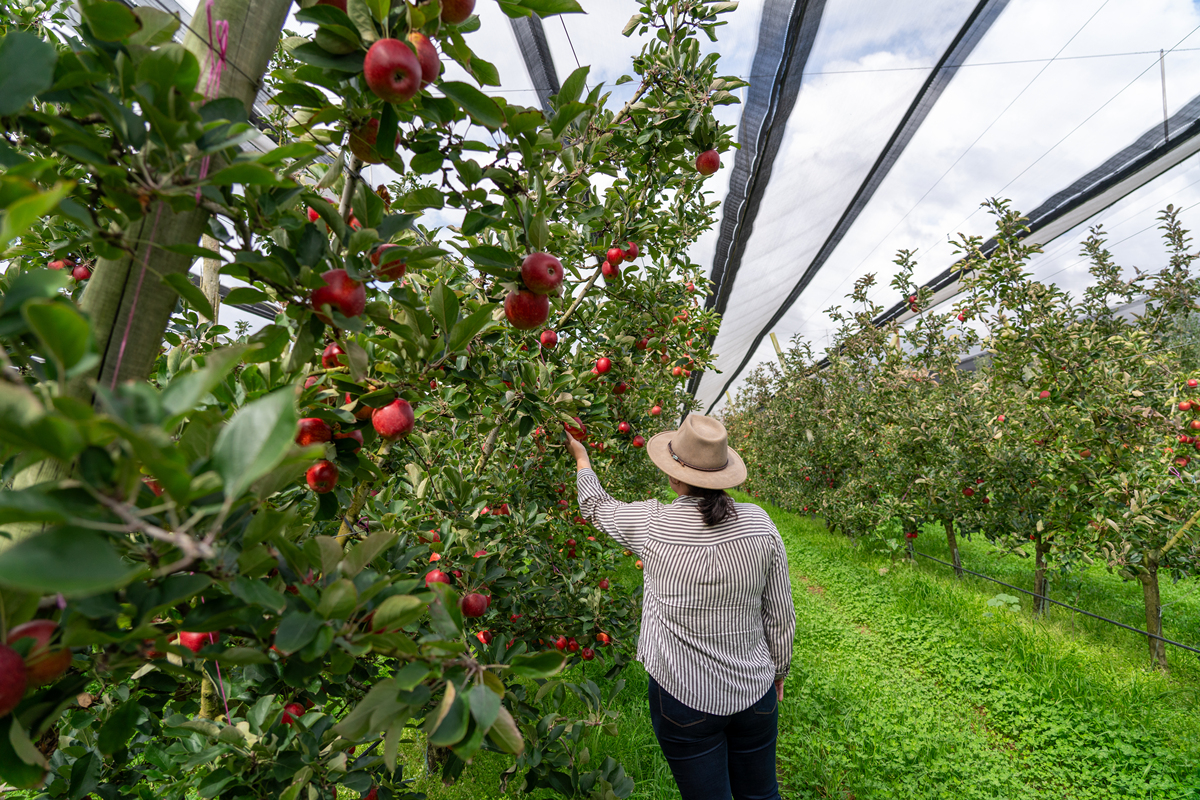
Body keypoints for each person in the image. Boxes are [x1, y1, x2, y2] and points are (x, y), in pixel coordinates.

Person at [564, 413, 796, 800]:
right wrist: (779, 670)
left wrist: (582, 459)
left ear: (673, 474)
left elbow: (596, 506)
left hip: (684, 698)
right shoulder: (759, 523)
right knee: (762, 795)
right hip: (755, 693)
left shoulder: (652, 523)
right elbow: (780, 613)